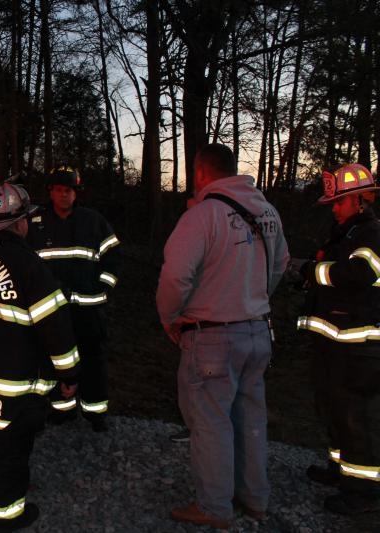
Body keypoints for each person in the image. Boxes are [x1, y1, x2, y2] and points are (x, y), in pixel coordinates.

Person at [156, 143, 289, 529]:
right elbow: (279, 264)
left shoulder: (203, 216)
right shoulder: (267, 211)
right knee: (250, 418)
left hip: (212, 338)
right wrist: (252, 299)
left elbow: (175, 277)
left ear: (200, 172)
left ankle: (215, 508)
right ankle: (255, 501)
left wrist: (170, 317)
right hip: (258, 331)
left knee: (211, 422)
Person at [0, 182, 79, 531]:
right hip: (10, 389)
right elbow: (57, 329)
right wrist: (69, 376)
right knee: (8, 452)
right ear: (20, 223)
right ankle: (5, 515)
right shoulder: (29, 266)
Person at [297, 163, 380, 516]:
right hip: (335, 345)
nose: (334, 208)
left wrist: (313, 271)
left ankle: (363, 492)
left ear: (361, 201)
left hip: (359, 348)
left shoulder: (372, 234)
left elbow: (358, 273)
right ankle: (340, 470)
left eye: (340, 202)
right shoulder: (344, 233)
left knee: (354, 416)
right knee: (331, 409)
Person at [26, 166, 119, 432]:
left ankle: (95, 411)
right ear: (50, 192)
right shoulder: (36, 222)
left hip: (88, 309)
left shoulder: (93, 221)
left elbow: (113, 256)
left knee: (93, 359)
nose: (63, 195)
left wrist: (104, 288)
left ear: (76, 193)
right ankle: (62, 409)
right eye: (58, 190)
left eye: (68, 190)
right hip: (52, 311)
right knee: (53, 357)